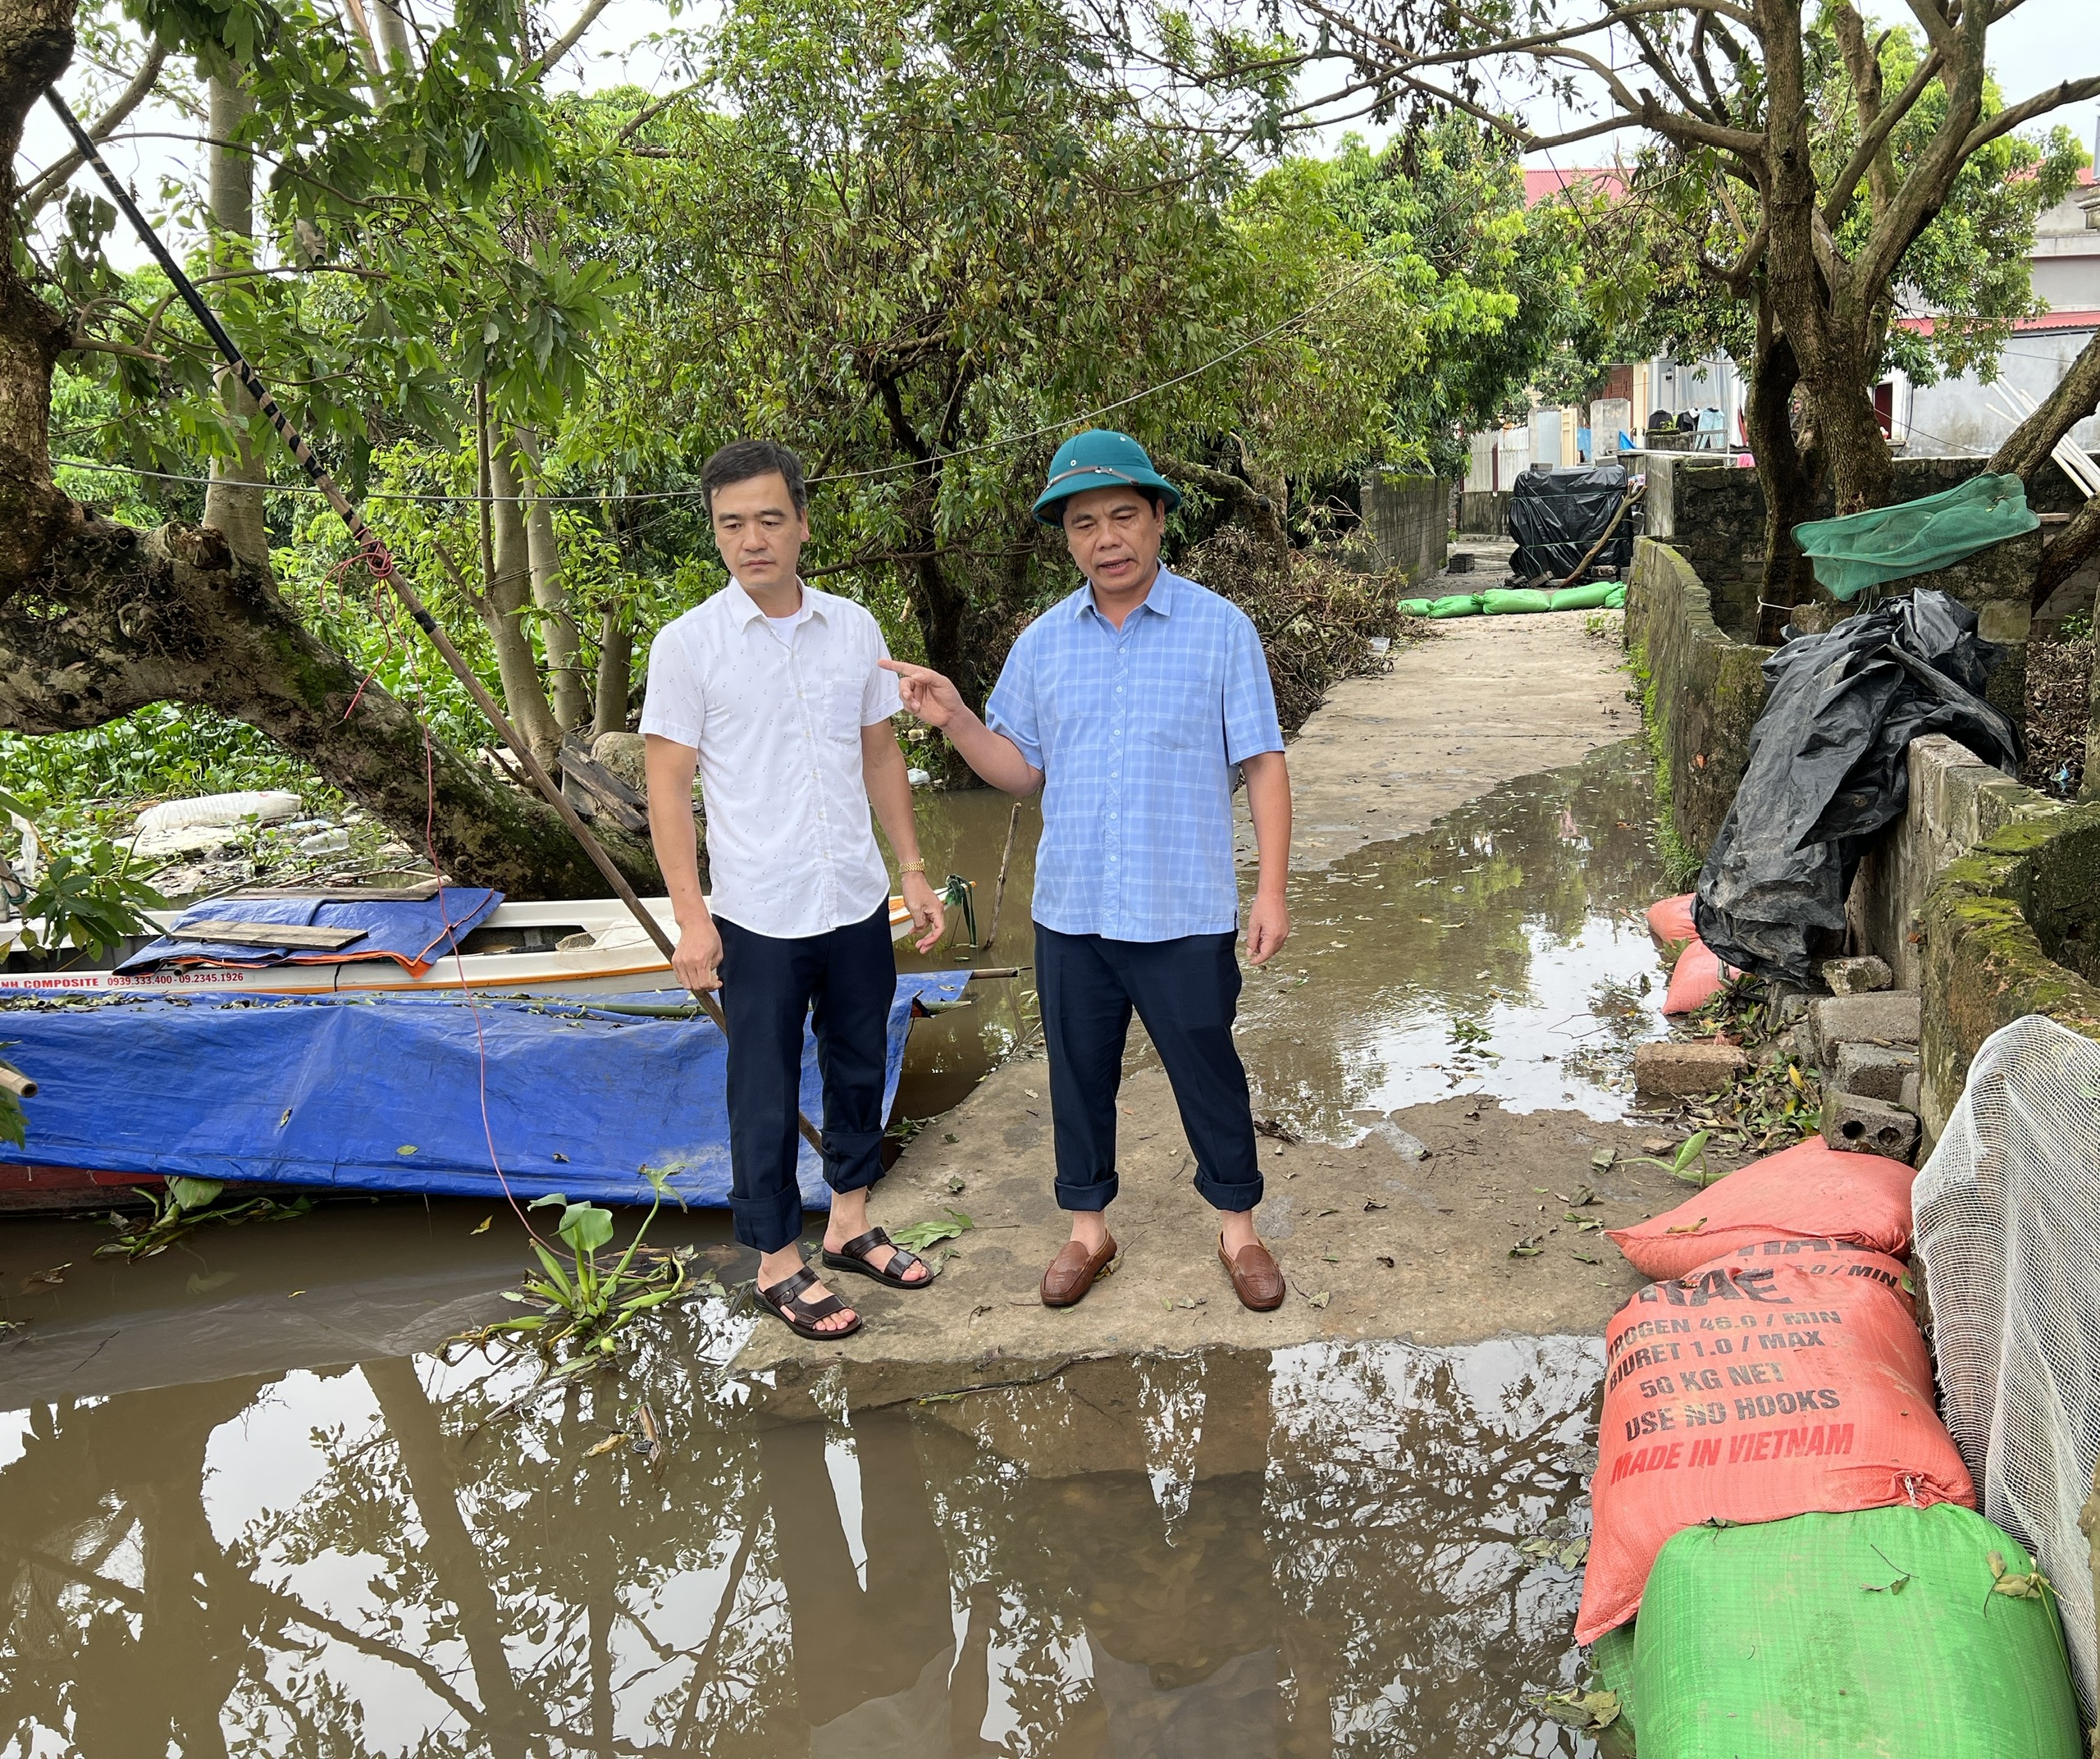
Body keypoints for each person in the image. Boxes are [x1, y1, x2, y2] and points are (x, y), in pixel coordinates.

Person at [882, 429, 1293, 1313]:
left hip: (1181, 910)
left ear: (1156, 521)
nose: (1105, 538)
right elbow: (1023, 771)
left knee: (1206, 1069)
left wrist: (1269, 889)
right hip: (1072, 911)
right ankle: (1088, 1229)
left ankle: (1239, 1229)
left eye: (1121, 516)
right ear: (1065, 538)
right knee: (1076, 1074)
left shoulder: (1220, 631)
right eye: (1082, 523)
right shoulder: (1041, 644)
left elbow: (1263, 762)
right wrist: (956, 718)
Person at [642, 439, 946, 1341]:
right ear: (715, 533)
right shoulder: (689, 644)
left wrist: (913, 870)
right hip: (757, 913)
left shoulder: (852, 628)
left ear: (802, 523)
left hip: (852, 897)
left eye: (769, 519)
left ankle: (850, 1223)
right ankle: (778, 1259)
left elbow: (880, 753)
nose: (751, 539)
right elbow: (667, 786)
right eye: (731, 524)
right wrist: (690, 919)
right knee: (764, 1091)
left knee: (860, 1063)